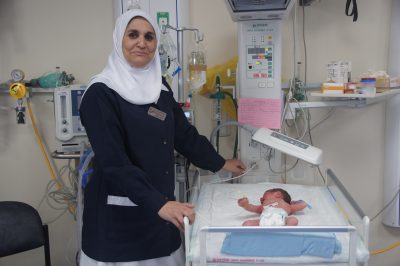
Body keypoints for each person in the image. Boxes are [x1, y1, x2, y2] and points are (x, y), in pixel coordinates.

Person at [78, 9, 246, 266]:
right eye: (133, 35)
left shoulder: (160, 88)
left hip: (159, 217)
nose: (142, 43)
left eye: (149, 37)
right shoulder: (100, 93)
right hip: (118, 225)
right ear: (119, 40)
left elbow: (184, 135)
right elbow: (115, 163)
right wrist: (160, 204)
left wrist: (220, 162)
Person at [237, 188, 307, 226]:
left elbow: (303, 205)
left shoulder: (287, 206)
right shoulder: (263, 206)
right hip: (263, 222)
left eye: (264, 196)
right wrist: (245, 205)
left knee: (293, 220)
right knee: (246, 224)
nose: (261, 199)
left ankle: (287, 230)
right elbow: (252, 208)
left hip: (282, 220)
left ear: (278, 194)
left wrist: (296, 202)